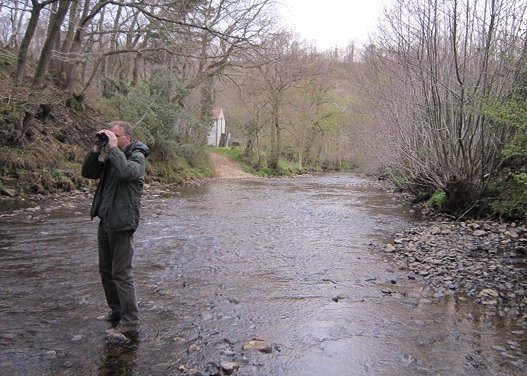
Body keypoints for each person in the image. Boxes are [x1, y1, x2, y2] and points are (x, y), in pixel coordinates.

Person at [81, 120, 150, 336]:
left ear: (127, 138)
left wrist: (112, 149)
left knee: (121, 273)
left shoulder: (136, 156)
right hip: (106, 220)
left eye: (115, 136)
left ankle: (131, 321)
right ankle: (117, 310)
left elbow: (127, 173)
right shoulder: (113, 154)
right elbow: (88, 172)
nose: (111, 139)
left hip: (122, 223)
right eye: (109, 136)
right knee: (105, 271)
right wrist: (96, 150)